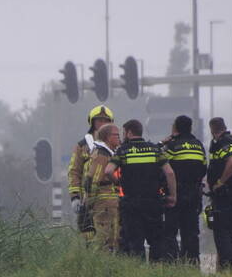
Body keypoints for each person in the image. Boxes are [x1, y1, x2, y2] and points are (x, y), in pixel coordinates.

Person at [105, 119, 176, 261]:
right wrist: (173, 196)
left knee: (135, 242)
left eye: (124, 133)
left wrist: (118, 182)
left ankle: (139, 270)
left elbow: (108, 171)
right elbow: (170, 173)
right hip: (153, 202)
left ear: (129, 132)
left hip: (131, 203)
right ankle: (155, 270)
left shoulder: (123, 151)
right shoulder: (155, 150)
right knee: (156, 241)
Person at [161, 115, 207, 265]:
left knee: (170, 230)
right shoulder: (198, 145)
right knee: (191, 230)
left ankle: (171, 261)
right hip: (194, 194)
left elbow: (164, 167)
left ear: (175, 128)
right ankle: (192, 261)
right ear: (190, 128)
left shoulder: (172, 146)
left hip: (175, 193)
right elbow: (204, 168)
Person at [68, 105, 114, 236]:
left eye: (106, 121)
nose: (102, 123)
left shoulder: (116, 144)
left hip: (112, 199)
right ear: (92, 122)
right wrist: (75, 197)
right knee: (88, 236)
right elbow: (74, 171)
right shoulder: (82, 146)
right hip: (88, 199)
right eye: (99, 120)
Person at [206, 117, 232, 270]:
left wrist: (220, 182)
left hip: (224, 195)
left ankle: (227, 265)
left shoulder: (223, 142)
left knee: (222, 232)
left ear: (212, 130)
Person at [85, 123, 122, 251]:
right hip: (104, 202)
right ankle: (99, 260)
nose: (119, 138)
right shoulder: (102, 154)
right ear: (108, 137)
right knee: (104, 237)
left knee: (112, 237)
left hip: (108, 201)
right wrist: (90, 201)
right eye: (116, 135)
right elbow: (94, 179)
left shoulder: (108, 153)